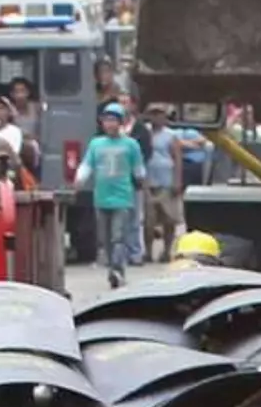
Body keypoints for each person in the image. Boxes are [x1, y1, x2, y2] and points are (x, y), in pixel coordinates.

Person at [75, 103, 146, 289]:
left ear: (121, 122)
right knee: (104, 238)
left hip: (122, 196)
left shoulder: (131, 144)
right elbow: (87, 164)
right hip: (101, 196)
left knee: (118, 236)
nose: (109, 124)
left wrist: (141, 181)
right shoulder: (96, 143)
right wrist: (80, 178)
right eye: (106, 120)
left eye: (113, 120)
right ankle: (111, 269)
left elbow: (138, 168)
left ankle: (118, 268)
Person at [143, 105, 187, 262]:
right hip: (148, 181)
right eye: (153, 114)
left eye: (159, 114)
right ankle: (148, 252)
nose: (156, 117)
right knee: (149, 220)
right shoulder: (144, 132)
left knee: (169, 219)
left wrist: (177, 180)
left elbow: (177, 158)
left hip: (166, 181)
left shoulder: (171, 135)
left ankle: (166, 250)